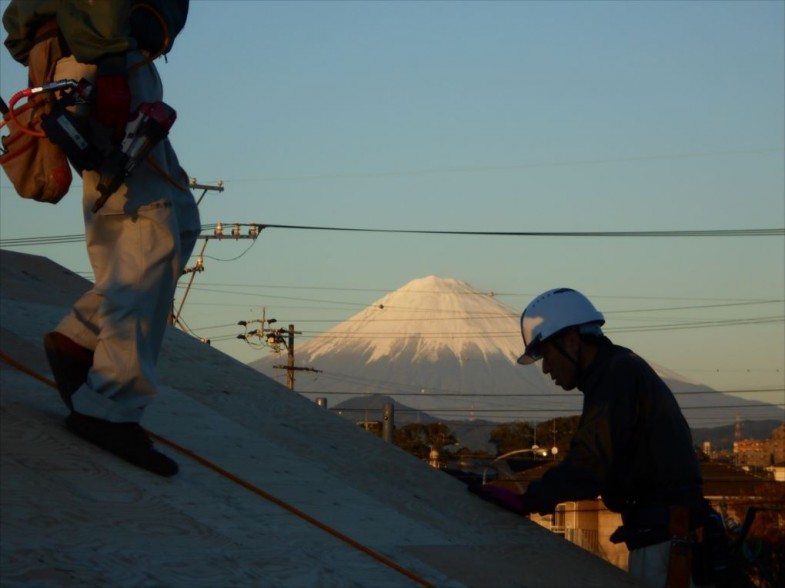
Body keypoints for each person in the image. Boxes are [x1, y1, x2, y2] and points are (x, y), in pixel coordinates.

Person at [3, 1, 200, 476]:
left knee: (180, 223)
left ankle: (82, 339)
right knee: (144, 231)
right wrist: (110, 61)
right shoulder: (106, 53)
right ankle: (110, 406)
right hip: (103, 58)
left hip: (104, 55)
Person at [471, 288, 719, 588]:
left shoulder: (614, 377)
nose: (546, 368)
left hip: (664, 544)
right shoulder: (621, 367)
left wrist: (528, 499)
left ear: (572, 341)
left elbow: (590, 464)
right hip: (669, 536)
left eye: (546, 355)